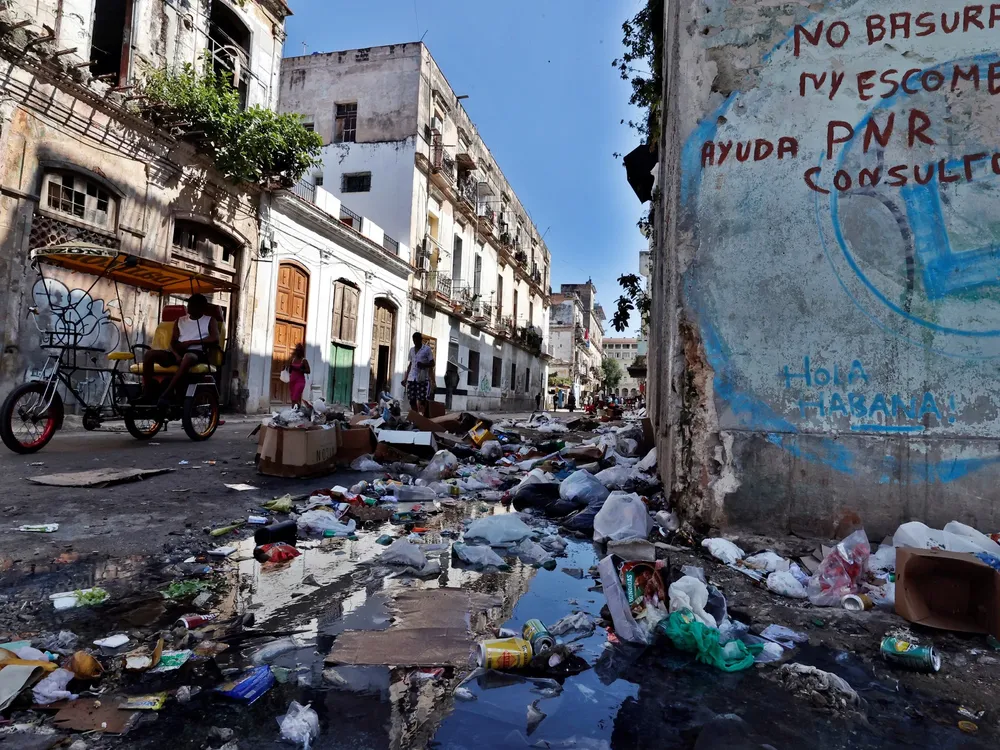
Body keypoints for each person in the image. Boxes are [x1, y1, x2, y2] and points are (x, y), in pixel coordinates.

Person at [141, 293, 219, 406]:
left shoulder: (210, 320)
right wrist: (176, 355)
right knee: (149, 354)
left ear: (201, 307)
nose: (189, 307)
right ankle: (148, 392)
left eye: (193, 305)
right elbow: (172, 342)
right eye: (189, 304)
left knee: (188, 357)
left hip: (197, 352)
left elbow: (214, 339)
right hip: (178, 351)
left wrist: (191, 342)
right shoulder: (180, 320)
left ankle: (167, 393)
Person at [404, 332, 435, 417]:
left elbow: (432, 364)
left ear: (421, 340)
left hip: (422, 378)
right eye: (414, 341)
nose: (415, 343)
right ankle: (416, 415)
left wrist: (423, 365)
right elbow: (410, 365)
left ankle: (422, 415)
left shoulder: (427, 349)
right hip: (411, 378)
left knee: (421, 398)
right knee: (411, 398)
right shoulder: (411, 350)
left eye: (417, 341)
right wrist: (405, 379)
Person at [286, 342, 311, 408]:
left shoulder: (304, 360)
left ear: (301, 352)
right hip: (292, 381)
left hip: (300, 381)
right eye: (296, 350)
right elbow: (290, 371)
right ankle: (298, 408)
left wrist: (301, 370)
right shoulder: (293, 359)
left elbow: (308, 371)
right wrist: (290, 367)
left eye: (299, 351)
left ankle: (293, 412)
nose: (297, 352)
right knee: (293, 398)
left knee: (295, 397)